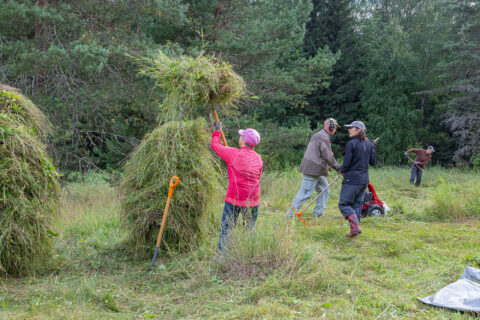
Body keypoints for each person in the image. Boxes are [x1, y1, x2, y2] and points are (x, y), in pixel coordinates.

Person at [211, 122, 263, 253]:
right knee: (250, 229)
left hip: (235, 198)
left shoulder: (233, 154)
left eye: (241, 136)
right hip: (253, 199)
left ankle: (222, 256)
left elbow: (215, 146)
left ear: (243, 141)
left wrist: (217, 131)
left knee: (227, 227)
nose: (239, 137)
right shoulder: (259, 158)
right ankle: (250, 255)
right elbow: (258, 178)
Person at [287, 118, 341, 219]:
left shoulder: (318, 135)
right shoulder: (324, 137)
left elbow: (317, 153)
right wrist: (338, 167)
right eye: (335, 128)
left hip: (315, 169)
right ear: (331, 126)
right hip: (313, 170)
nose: (335, 130)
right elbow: (328, 155)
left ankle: (318, 214)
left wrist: (327, 165)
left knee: (324, 189)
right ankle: (290, 216)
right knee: (305, 193)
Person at [338, 121, 376, 237]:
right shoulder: (369, 144)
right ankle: (355, 230)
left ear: (359, 130)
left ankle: (355, 227)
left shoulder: (351, 144)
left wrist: (341, 169)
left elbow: (347, 163)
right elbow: (373, 162)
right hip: (364, 180)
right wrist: (373, 149)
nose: (349, 130)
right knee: (357, 205)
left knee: (344, 204)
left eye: (351, 128)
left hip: (351, 180)